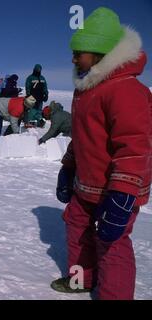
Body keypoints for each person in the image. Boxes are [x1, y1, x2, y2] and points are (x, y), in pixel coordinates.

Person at [51, 7, 152, 300]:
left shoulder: (125, 90)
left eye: (79, 52)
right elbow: (82, 136)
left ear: (99, 53)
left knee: (111, 241)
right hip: (87, 184)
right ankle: (82, 280)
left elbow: (136, 145)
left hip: (116, 189)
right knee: (77, 228)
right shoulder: (86, 89)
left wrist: (123, 193)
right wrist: (69, 166)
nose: (72, 58)